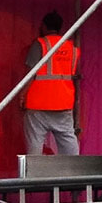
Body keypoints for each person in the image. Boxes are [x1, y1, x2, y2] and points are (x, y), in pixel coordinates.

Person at [21, 12, 80, 155]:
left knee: (35, 144)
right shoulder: (72, 48)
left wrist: (22, 96)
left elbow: (31, 75)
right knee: (68, 142)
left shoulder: (40, 44)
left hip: (38, 104)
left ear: (44, 26)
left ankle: (34, 176)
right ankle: (74, 173)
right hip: (63, 103)